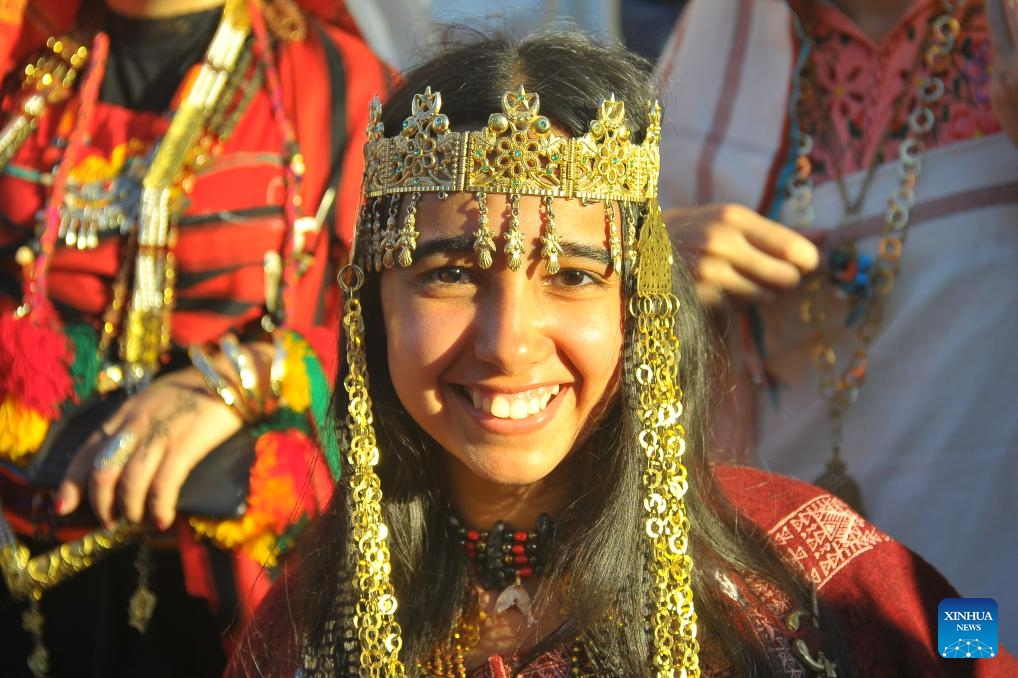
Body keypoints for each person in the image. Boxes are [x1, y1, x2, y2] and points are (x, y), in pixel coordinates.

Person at [225, 29, 1016, 676]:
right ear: (373, 309)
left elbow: (968, 642)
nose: (509, 344)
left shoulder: (819, 560)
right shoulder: (300, 635)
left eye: (572, 275)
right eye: (450, 275)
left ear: (639, 307)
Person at [0, 0, 389, 675]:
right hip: (19, 539)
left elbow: (401, 324)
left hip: (223, 576)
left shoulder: (334, 82)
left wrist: (250, 376)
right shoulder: (23, 53)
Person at [655, 0, 1018, 648]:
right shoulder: (718, 38)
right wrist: (655, 257)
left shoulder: (1002, 36)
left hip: (982, 537)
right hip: (786, 568)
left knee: (972, 653)